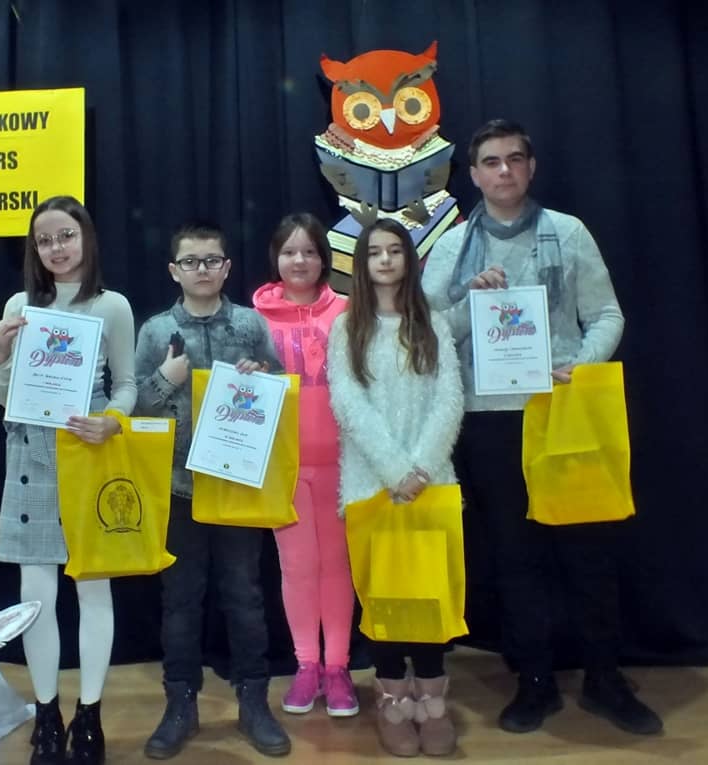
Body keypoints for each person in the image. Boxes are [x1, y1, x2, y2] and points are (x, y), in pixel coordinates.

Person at [420, 118, 662, 735]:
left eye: (514, 159)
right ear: (474, 176)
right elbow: (428, 335)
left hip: (564, 412)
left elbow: (606, 314)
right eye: (491, 162)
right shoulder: (451, 248)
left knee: (588, 552)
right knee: (515, 557)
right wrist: (470, 303)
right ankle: (534, 682)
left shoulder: (568, 232)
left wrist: (582, 363)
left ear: (531, 167)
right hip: (490, 421)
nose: (504, 171)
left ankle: (604, 679)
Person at [0, 195, 136, 765]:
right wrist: (1, 353)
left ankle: (90, 715)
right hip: (32, 452)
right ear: (34, 248)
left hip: (88, 449)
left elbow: (127, 384)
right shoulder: (20, 304)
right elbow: (5, 396)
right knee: (37, 595)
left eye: (66, 236)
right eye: (45, 240)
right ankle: (47, 715)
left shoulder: (112, 305)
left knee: (93, 589)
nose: (56, 248)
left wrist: (113, 420)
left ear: (86, 238)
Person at [134, 222, 290, 759]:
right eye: (190, 261)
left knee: (245, 597)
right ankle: (180, 704)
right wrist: (165, 380)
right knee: (180, 602)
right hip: (179, 489)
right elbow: (136, 407)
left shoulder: (249, 324)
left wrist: (262, 373)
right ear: (173, 270)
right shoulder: (156, 331)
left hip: (238, 487)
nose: (201, 270)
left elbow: (280, 389)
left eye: (211, 261)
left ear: (227, 267)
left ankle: (254, 701)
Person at [327, 218, 464, 757]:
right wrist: (393, 470)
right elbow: (347, 402)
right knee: (384, 600)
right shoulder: (347, 328)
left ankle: (432, 700)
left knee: (429, 597)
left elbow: (449, 399)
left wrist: (421, 468)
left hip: (431, 484)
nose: (385, 260)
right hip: (372, 487)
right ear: (361, 263)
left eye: (394, 251)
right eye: (374, 252)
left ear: (409, 259)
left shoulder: (433, 324)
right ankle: (392, 701)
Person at [251, 213, 357, 718]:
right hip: (283, 468)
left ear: (324, 259)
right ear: (276, 257)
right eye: (290, 251)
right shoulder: (253, 319)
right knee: (296, 568)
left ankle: (337, 667)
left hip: (341, 462)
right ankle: (306, 665)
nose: (299, 261)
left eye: (310, 252)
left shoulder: (348, 313)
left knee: (337, 564)